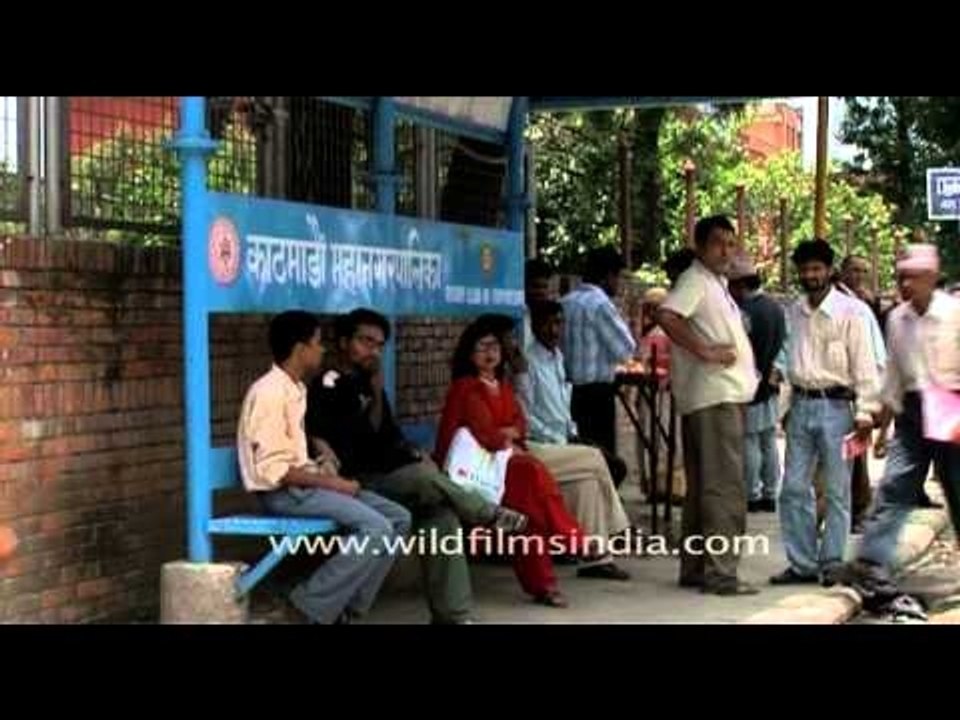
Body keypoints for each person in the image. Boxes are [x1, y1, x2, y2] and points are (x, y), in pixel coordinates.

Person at [305, 308, 527, 625]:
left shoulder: (369, 384)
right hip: (357, 481)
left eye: (379, 345)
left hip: (389, 479)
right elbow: (355, 446)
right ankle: (486, 513)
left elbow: (390, 436)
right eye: (365, 342)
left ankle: (454, 616)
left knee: (441, 517)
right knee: (424, 479)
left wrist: (409, 446)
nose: (373, 350)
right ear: (344, 343)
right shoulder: (330, 385)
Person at [237, 310, 412, 625]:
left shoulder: (296, 389)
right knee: (376, 528)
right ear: (300, 348)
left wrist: (324, 466)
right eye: (317, 343)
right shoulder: (268, 393)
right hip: (286, 494)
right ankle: (304, 610)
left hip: (308, 485)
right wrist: (336, 485)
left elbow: (295, 458)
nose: (322, 350)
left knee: (398, 519)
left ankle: (348, 611)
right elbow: (275, 471)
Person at [435, 317, 590, 608]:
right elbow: (487, 435)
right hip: (474, 475)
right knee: (531, 473)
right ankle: (568, 540)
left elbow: (521, 426)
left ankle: (547, 580)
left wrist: (506, 434)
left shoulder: (502, 386)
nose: (490, 353)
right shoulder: (467, 387)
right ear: (469, 354)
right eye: (481, 347)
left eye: (494, 346)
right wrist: (505, 435)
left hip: (504, 468)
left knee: (528, 507)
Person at [848, 244, 960, 611]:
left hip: (952, 402)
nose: (905, 285)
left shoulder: (954, 313)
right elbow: (893, 375)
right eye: (900, 278)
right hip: (913, 411)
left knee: (957, 490)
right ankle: (873, 563)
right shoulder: (897, 319)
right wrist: (875, 418)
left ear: (931, 278)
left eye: (912, 277)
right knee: (896, 484)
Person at [655, 215, 760, 595]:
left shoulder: (715, 284)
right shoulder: (696, 280)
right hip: (715, 397)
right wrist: (703, 349)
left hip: (715, 396)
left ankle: (697, 567)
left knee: (704, 487)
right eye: (718, 243)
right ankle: (721, 573)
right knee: (724, 487)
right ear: (700, 247)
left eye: (732, 244)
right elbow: (666, 315)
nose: (726, 251)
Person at [770, 239, 881, 588]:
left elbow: (865, 368)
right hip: (801, 407)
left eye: (816, 269)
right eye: (804, 270)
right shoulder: (794, 312)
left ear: (829, 271)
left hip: (839, 410)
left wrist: (866, 414)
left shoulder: (852, 312)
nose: (810, 275)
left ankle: (832, 562)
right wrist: (782, 412)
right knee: (792, 489)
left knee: (837, 491)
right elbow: (787, 363)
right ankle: (801, 563)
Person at [516, 300, 633, 581]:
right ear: (534, 325)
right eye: (548, 323)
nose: (555, 329)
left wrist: (572, 433)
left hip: (561, 442)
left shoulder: (557, 357)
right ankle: (621, 528)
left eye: (559, 323)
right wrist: (559, 439)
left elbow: (563, 407)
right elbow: (525, 416)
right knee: (596, 459)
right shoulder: (527, 362)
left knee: (589, 484)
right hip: (536, 444)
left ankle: (596, 559)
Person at [561, 246, 638, 459]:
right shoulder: (600, 305)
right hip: (596, 395)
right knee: (601, 456)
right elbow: (625, 349)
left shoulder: (565, 302)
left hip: (567, 392)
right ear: (607, 276)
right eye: (618, 278)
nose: (619, 284)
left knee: (577, 454)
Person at [727, 253, 786, 514]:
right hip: (770, 383)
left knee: (749, 442)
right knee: (768, 441)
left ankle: (752, 493)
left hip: (748, 384)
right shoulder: (777, 308)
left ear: (741, 284)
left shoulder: (743, 313)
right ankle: (771, 493)